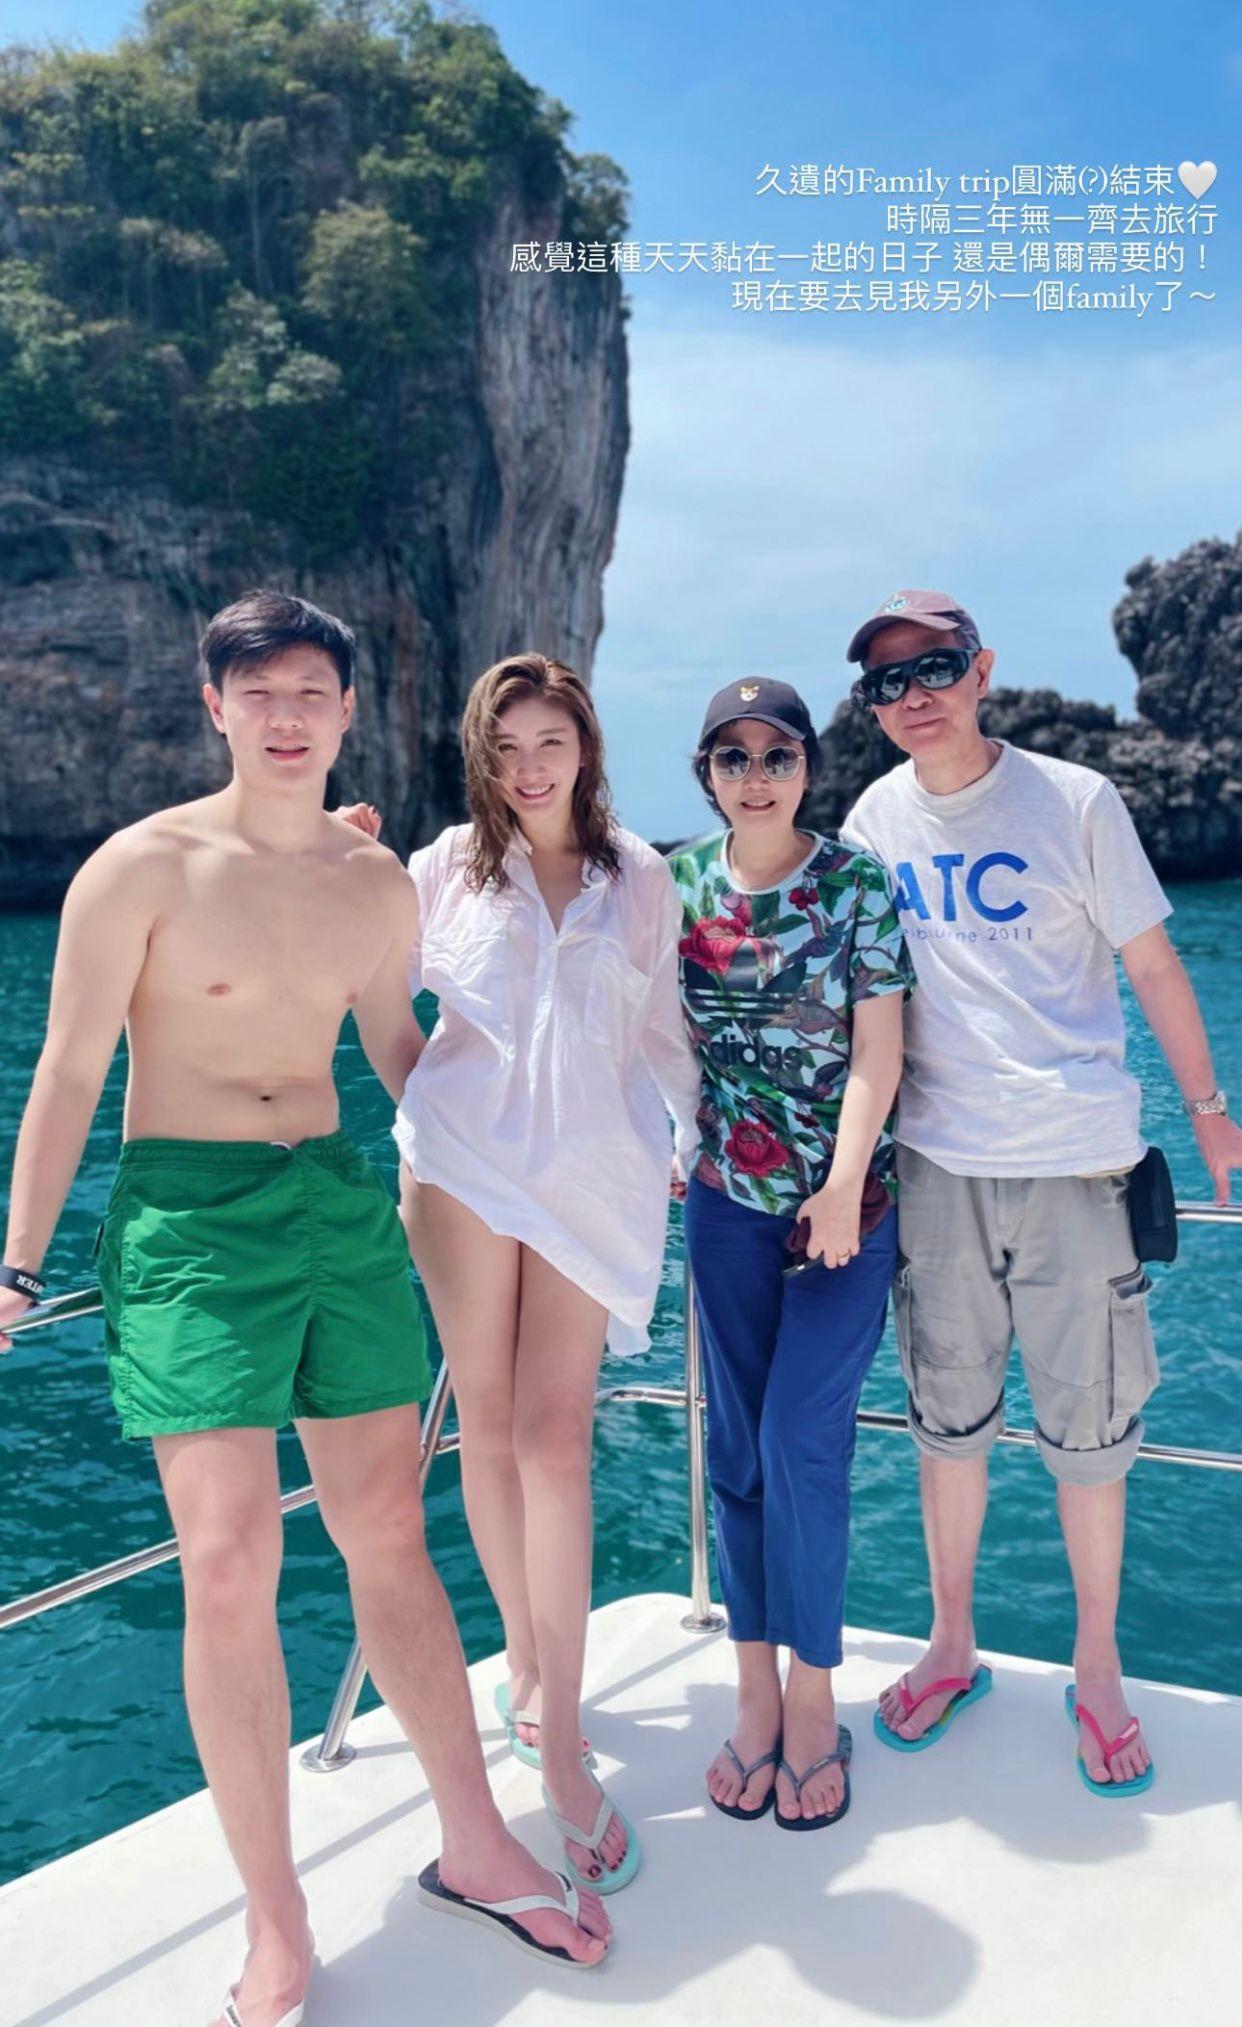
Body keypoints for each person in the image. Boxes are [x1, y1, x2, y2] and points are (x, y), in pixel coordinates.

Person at [0, 594, 610, 2027]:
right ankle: (275, 1919)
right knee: (228, 1556)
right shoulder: (138, 868)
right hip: (190, 1218)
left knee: (388, 1527)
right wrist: (18, 1267)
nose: (287, 714)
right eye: (259, 689)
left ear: (347, 710)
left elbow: (402, 1050)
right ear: (215, 704)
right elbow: (70, 1070)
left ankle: (476, 1840)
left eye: (312, 691)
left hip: (338, 1202)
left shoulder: (372, 881)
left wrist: (547, 1174)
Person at [840, 587, 1242, 1794]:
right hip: (938, 1168)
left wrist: (1211, 1110)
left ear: (982, 671)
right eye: (888, 681)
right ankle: (951, 1642)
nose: (915, 695)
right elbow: (855, 1000)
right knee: (946, 1422)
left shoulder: (1076, 800)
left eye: (936, 667)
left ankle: (1099, 1663)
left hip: (1076, 1165)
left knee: (1093, 1436)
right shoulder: (872, 817)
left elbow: (1153, 962)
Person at [344, 652, 700, 1896]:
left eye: (551, 741)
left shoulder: (638, 875)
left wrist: (695, 1136)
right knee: (488, 1428)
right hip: (461, 1176)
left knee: (558, 1439)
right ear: (481, 760)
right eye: (507, 749)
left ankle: (561, 1732)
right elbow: (380, 1007)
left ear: (585, 745)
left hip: (594, 1180)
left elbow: (661, 1027)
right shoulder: (438, 868)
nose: (530, 767)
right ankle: (531, 1671)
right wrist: (438, 1120)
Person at [668, 678, 912, 1829]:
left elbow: (878, 1051)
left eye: (778, 754)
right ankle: (754, 1688)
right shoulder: (677, 883)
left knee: (797, 1440)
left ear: (810, 766)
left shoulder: (856, 881)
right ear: (707, 773)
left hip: (847, 1208)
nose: (756, 774)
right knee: (737, 1448)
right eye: (734, 756)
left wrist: (845, 1182)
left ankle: (814, 1697)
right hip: (725, 1202)